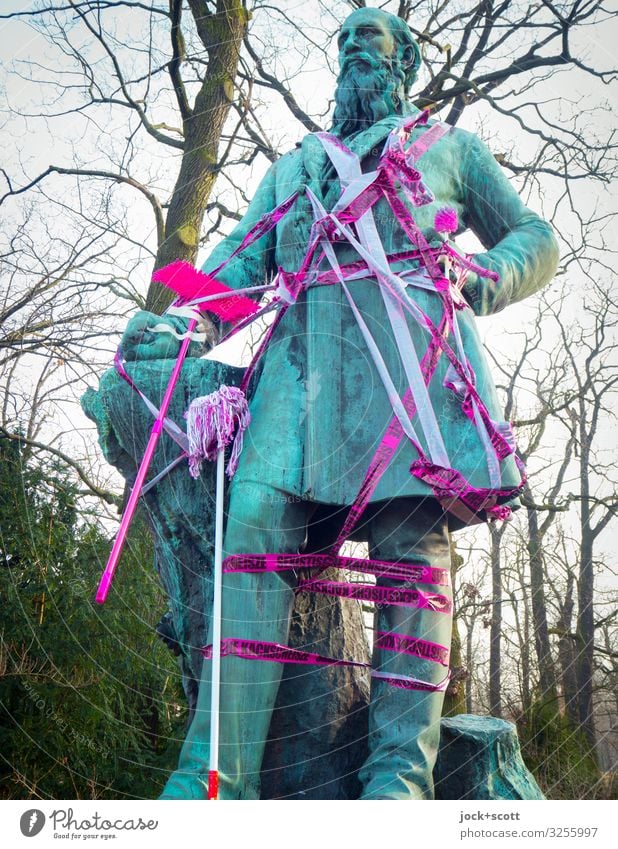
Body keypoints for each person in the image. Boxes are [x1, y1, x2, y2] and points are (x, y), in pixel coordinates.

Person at [123, 8, 559, 800]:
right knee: (250, 529)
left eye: (373, 37)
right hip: (299, 384)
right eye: (345, 38)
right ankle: (214, 775)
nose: (356, 47)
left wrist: (481, 277)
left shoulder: (451, 151)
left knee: (412, 570)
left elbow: (536, 234)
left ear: (408, 62)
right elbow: (235, 265)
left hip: (410, 379)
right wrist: (179, 322)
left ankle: (397, 780)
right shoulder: (294, 170)